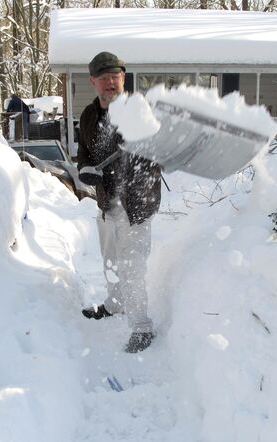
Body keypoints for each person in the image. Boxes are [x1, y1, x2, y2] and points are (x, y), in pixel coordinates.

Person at [77, 52, 162, 353]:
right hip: (106, 203)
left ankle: (142, 327)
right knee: (111, 260)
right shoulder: (88, 116)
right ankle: (115, 305)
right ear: (93, 82)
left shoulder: (139, 111)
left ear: (123, 78)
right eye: (103, 78)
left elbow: (157, 146)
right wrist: (85, 169)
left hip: (136, 203)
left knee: (131, 266)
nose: (110, 82)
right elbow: (84, 152)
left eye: (115, 76)